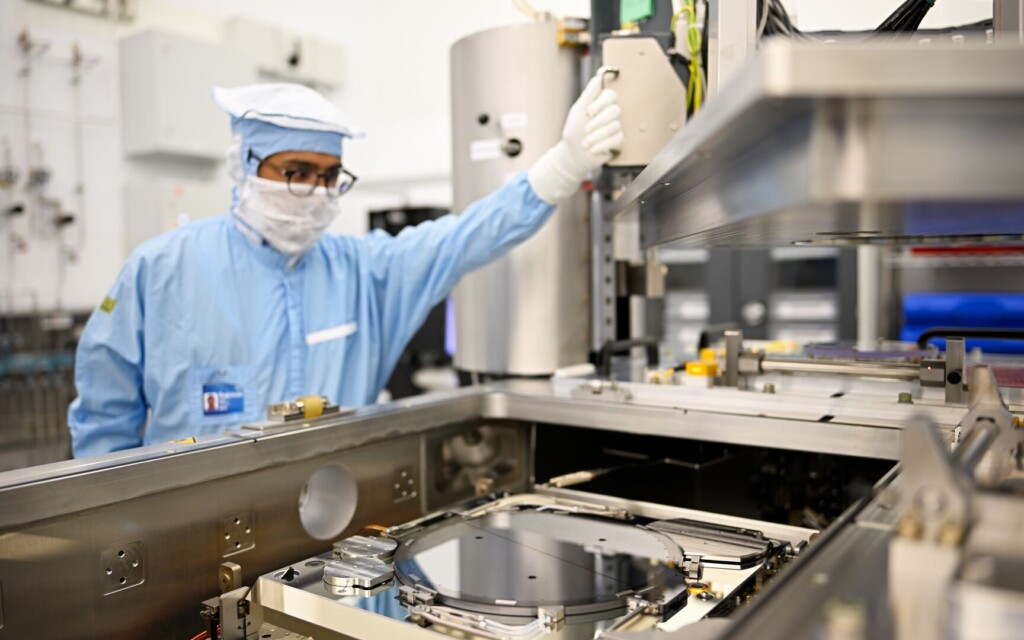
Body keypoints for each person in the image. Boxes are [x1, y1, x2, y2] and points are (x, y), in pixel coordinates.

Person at [68, 78, 623, 457]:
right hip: (185, 542)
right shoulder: (161, 269)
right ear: (244, 164)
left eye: (330, 175)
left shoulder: (365, 271)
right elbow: (104, 421)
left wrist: (563, 165)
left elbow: (463, 238)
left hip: (333, 536)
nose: (315, 191)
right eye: (296, 171)